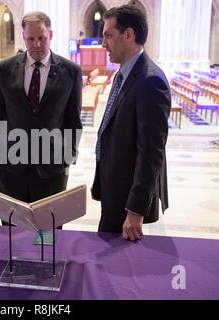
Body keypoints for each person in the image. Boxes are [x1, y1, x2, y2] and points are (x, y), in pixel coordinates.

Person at [0, 11, 82, 225]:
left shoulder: (71, 71)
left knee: (48, 231)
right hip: (11, 166)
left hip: (52, 167)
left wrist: (67, 156)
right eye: (31, 39)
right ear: (23, 37)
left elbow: (72, 120)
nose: (37, 44)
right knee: (13, 230)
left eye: (42, 38)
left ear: (51, 35)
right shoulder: (3, 70)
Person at [91, 5, 171, 240]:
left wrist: (135, 210)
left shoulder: (150, 81)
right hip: (114, 189)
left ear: (128, 35)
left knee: (118, 268)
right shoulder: (124, 74)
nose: (103, 43)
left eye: (108, 35)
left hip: (127, 198)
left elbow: (151, 153)